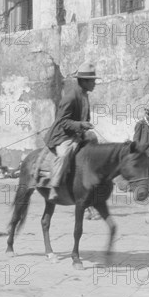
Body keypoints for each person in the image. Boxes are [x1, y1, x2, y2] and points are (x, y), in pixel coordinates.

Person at [45, 61, 98, 203]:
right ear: (84, 82)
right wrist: (80, 124)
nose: (94, 84)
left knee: (96, 146)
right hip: (62, 135)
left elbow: (84, 116)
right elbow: (62, 121)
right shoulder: (70, 97)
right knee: (64, 154)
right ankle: (54, 186)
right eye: (92, 81)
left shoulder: (85, 96)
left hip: (77, 133)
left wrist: (85, 125)